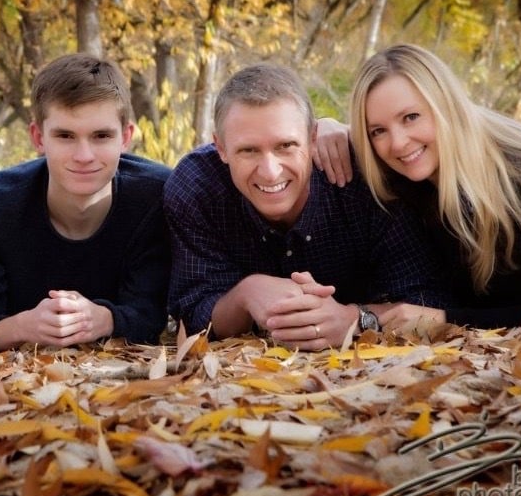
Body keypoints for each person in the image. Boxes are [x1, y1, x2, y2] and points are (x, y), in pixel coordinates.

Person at [344, 43, 521, 333]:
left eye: (411, 117)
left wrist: (443, 319)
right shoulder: (398, 176)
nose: (397, 143)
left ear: (446, 106)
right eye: (378, 130)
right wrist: (326, 129)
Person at [163, 63, 448, 351]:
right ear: (221, 148)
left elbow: (426, 300)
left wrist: (357, 319)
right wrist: (245, 295)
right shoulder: (197, 186)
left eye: (286, 145)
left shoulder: (364, 178)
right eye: (248, 150)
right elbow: (192, 314)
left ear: (313, 138)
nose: (270, 172)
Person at [0, 53, 171, 350]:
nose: (84, 156)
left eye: (101, 136)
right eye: (65, 136)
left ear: (125, 137)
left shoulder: (154, 195)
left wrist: (103, 319)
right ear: (38, 138)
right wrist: (23, 325)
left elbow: (151, 315)